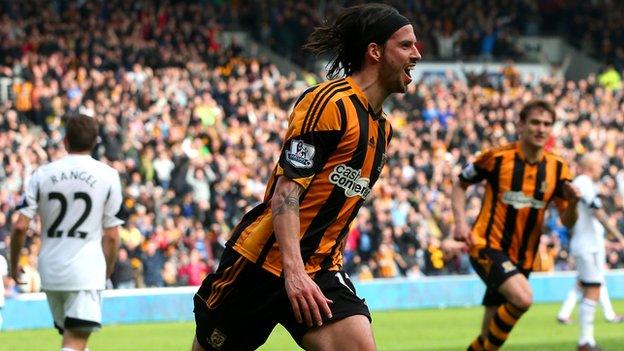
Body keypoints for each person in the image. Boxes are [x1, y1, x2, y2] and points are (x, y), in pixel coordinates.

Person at [191, 4, 421, 350]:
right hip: (262, 265)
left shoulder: (382, 128)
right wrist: (293, 272)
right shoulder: (329, 102)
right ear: (375, 51)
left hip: (321, 268)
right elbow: (287, 193)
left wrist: (307, 271)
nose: (416, 54)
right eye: (405, 45)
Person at [452, 100, 581, 351]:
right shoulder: (497, 158)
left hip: (523, 257)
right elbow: (460, 184)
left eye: (547, 124)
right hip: (486, 245)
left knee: (490, 335)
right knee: (523, 298)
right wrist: (459, 222)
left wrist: (574, 203)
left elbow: (568, 221)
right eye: (535, 122)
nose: (541, 129)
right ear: (520, 125)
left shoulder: (558, 168)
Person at [10, 115, 126, 351]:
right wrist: (109, 266)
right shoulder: (108, 175)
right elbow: (112, 235)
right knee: (75, 342)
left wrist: (13, 265)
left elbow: (20, 225)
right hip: (85, 268)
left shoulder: (42, 174)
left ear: (65, 141)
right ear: (95, 141)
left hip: (50, 269)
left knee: (74, 340)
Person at [555, 152, 624, 350]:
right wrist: (618, 236)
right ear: (590, 167)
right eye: (599, 165)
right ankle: (586, 340)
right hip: (586, 246)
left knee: (588, 285)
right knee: (593, 286)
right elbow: (597, 210)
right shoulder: (583, 182)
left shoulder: (586, 183)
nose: (602, 168)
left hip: (590, 244)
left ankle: (585, 336)